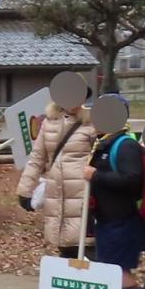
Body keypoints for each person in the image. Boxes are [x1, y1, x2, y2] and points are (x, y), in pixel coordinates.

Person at [85, 95, 145, 289]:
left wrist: (95, 176)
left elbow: (132, 181)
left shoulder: (125, 145)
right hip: (105, 218)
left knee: (121, 270)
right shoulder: (104, 143)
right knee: (111, 268)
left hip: (122, 219)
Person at [15, 97, 95, 258]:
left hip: (83, 192)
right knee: (64, 243)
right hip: (56, 193)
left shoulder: (91, 122)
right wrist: (25, 190)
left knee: (85, 246)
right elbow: (37, 157)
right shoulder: (49, 122)